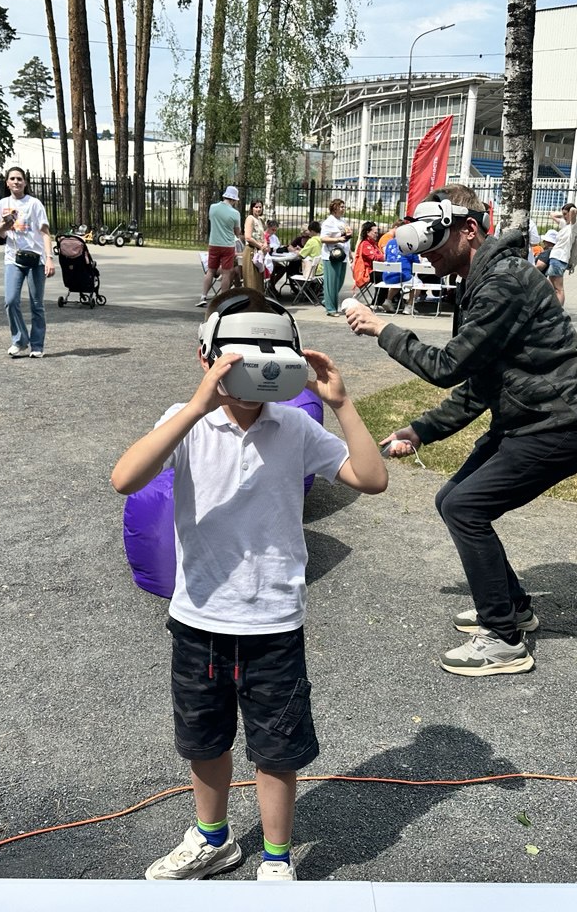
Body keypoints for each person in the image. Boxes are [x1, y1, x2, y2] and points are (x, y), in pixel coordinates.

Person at [111, 288, 387, 881]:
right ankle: (213, 838)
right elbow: (125, 478)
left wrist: (342, 404)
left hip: (273, 621)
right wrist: (196, 404)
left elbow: (371, 478)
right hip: (199, 617)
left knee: (277, 746)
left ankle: (276, 859)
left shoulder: (294, 428)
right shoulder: (185, 424)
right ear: (206, 356)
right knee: (203, 738)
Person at [342, 183, 577, 677]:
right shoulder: (483, 278)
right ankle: (512, 607)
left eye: (435, 242)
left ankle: (505, 639)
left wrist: (383, 328)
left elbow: (448, 367)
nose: (427, 254)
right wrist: (422, 430)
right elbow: (481, 383)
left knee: (466, 508)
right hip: (531, 417)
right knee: (453, 499)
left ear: (469, 230)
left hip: (565, 422)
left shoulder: (502, 281)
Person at [0, 166, 55, 358]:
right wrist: (6, 224)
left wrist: (49, 259)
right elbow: (0, 233)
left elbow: (45, 233)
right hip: (13, 258)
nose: (16, 182)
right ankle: (20, 340)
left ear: (25, 182)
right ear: (7, 183)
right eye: (12, 178)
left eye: (19, 179)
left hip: (35, 259)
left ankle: (37, 345)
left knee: (36, 304)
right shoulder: (2, 204)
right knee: (10, 301)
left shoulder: (34, 204)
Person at [200, 186, 243, 308]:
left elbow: (212, 220)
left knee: (211, 270)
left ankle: (203, 296)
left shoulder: (213, 208)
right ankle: (223, 299)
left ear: (224, 196)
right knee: (226, 273)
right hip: (228, 245)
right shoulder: (235, 213)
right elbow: (237, 232)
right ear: (234, 200)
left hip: (214, 243)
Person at [545, 202, 577, 305]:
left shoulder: (574, 226)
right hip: (555, 258)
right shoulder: (565, 224)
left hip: (560, 258)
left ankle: (558, 311)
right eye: (563, 214)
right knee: (551, 286)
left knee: (558, 288)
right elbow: (552, 214)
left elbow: (573, 210)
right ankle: (553, 307)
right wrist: (564, 213)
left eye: (565, 214)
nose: (564, 217)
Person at [379, 217, 420, 313]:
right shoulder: (409, 243)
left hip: (387, 275)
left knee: (397, 281)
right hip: (403, 276)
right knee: (418, 284)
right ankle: (409, 306)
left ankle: (388, 300)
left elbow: (387, 256)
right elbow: (415, 261)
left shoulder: (390, 242)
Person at [320, 199, 352, 317]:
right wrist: (338, 239)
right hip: (332, 255)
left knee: (339, 281)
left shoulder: (342, 221)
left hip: (342, 254)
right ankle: (331, 308)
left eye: (344, 207)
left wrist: (350, 253)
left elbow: (346, 237)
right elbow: (323, 238)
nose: (343, 209)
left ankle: (326, 301)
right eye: (341, 207)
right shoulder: (329, 222)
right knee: (331, 282)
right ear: (335, 208)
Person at [352, 220, 383, 297]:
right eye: (375, 233)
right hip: (366, 273)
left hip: (374, 270)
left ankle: (387, 300)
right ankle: (379, 302)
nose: (377, 235)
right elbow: (374, 257)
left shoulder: (373, 244)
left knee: (392, 275)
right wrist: (386, 257)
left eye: (377, 233)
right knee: (385, 276)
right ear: (368, 233)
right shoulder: (365, 244)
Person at [243, 199, 267, 293]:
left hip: (259, 252)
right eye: (256, 207)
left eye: (260, 207)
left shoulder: (260, 220)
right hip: (251, 251)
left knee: (258, 280)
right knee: (251, 280)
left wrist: (265, 244)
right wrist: (259, 245)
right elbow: (248, 237)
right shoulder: (250, 218)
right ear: (252, 208)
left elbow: (263, 235)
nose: (258, 209)